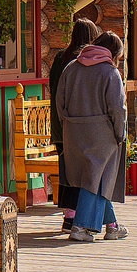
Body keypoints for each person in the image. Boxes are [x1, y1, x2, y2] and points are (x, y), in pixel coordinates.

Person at [58, 30, 127, 242]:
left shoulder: (71, 67)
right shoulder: (110, 72)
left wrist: (68, 125)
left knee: (93, 178)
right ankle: (80, 227)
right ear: (114, 52)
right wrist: (120, 133)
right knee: (95, 180)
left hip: (74, 130)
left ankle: (113, 226)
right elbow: (118, 108)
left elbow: (59, 101)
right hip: (102, 133)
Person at [49, 17, 100, 231]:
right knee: (87, 172)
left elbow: (53, 88)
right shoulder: (88, 62)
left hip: (61, 126)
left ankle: (68, 217)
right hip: (84, 127)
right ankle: (82, 217)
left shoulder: (61, 57)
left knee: (67, 172)